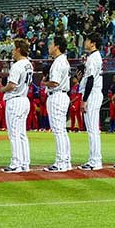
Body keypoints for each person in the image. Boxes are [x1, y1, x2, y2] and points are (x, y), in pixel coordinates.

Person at [0, 38, 34, 173]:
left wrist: (1, 90)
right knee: (21, 134)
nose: (12, 51)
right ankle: (25, 163)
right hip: (24, 99)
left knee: (14, 134)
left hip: (15, 100)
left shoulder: (17, 65)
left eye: (14, 49)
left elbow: (12, 85)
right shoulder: (29, 64)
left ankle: (16, 163)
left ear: (19, 49)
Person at [42, 36, 71, 172]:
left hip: (57, 95)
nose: (49, 46)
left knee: (58, 130)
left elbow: (55, 83)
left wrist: (44, 83)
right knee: (61, 130)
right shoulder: (62, 60)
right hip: (62, 95)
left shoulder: (59, 62)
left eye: (51, 44)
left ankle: (60, 162)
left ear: (57, 46)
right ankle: (65, 160)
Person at [79, 33, 104, 171]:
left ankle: (95, 160)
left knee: (93, 129)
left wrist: (84, 100)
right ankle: (94, 159)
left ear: (93, 43)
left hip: (92, 94)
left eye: (87, 40)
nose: (85, 42)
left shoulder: (93, 58)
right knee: (92, 129)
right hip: (94, 93)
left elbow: (90, 80)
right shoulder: (94, 57)